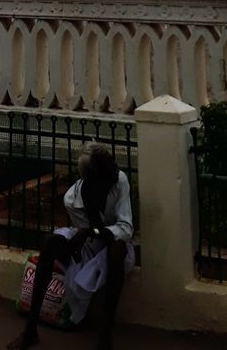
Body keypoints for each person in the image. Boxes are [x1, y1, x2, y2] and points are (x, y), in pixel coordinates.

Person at [8, 142, 134, 350]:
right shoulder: (71, 199)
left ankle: (105, 336)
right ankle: (30, 329)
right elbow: (84, 237)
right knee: (50, 244)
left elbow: (125, 229)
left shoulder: (119, 180)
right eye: (107, 175)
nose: (114, 177)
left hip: (110, 244)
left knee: (116, 250)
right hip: (87, 246)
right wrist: (78, 241)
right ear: (92, 178)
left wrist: (90, 232)